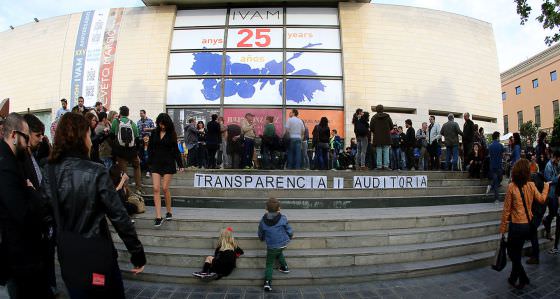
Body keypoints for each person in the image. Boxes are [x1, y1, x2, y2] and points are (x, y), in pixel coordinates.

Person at [42, 112, 145, 297]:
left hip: (69, 256)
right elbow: (119, 216)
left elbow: (45, 216)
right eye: (89, 135)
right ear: (81, 137)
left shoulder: (49, 172)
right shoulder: (95, 171)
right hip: (97, 253)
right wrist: (137, 253)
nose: (91, 140)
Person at [0, 113, 54, 298]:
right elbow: (22, 214)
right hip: (20, 256)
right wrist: (32, 193)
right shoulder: (6, 165)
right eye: (26, 136)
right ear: (14, 136)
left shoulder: (12, 159)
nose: (29, 142)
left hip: (24, 253)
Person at [500, 159, 549, 290]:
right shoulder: (531, 185)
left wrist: (503, 228)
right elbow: (542, 199)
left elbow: (506, 210)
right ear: (527, 172)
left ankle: (523, 277)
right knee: (516, 253)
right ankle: (513, 278)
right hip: (527, 225)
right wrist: (546, 187)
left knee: (512, 253)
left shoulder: (511, 186)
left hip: (516, 225)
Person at [148, 113, 185, 227]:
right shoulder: (154, 133)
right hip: (156, 163)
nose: (162, 126)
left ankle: (169, 211)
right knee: (155, 189)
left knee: (164, 188)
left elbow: (175, 151)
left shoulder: (172, 134)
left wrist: (180, 164)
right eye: (160, 124)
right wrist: (148, 164)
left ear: (167, 124)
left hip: (168, 163)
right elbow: (150, 148)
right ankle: (158, 216)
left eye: (163, 124)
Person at [258, 198, 293, 292]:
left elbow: (261, 232)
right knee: (278, 252)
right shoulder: (283, 218)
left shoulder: (263, 220)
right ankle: (284, 267)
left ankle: (267, 282)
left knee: (269, 264)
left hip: (272, 245)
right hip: (283, 243)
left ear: (266, 208)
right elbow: (289, 229)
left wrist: (261, 238)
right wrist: (290, 236)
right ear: (279, 209)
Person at [111, 106, 143, 193]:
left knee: (124, 172)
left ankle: (126, 191)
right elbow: (137, 138)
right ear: (128, 114)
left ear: (120, 113)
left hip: (120, 151)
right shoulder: (132, 123)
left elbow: (112, 136)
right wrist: (136, 152)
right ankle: (138, 188)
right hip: (132, 151)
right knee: (137, 167)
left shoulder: (115, 122)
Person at [542, 151, 560, 240]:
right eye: (558, 159)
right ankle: (548, 232)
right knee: (552, 212)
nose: (559, 161)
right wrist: (558, 177)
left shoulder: (556, 165)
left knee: (553, 213)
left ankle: (546, 221)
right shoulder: (548, 166)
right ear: (555, 157)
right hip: (549, 194)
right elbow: (548, 180)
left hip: (555, 193)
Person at [370, 105, 393, 170]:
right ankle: (386, 166)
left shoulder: (374, 117)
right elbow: (391, 126)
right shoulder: (387, 116)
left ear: (376, 110)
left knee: (379, 151)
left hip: (377, 137)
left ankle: (379, 166)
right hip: (386, 137)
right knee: (386, 150)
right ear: (383, 109)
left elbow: (371, 127)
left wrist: (376, 131)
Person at [487, 132, 505, 202]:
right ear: (497, 137)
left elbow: (489, 155)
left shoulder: (490, 146)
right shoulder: (500, 145)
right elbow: (503, 155)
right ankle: (496, 198)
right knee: (499, 180)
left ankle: (491, 186)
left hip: (492, 166)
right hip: (499, 166)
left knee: (495, 181)